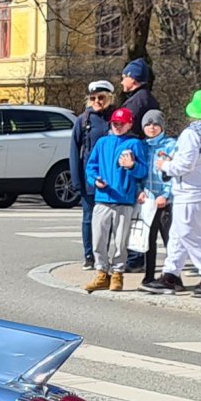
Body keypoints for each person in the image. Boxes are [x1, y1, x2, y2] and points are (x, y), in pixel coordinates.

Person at [143, 88, 201, 297]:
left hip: (188, 190)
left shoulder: (192, 133)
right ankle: (171, 274)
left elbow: (184, 166)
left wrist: (165, 165)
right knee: (178, 235)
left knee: (191, 234)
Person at [82, 106, 146, 292]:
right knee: (99, 239)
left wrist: (132, 165)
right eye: (115, 123)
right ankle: (101, 272)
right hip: (103, 198)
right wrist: (95, 180)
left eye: (121, 123)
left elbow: (142, 171)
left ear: (129, 125)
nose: (117, 126)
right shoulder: (102, 143)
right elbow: (90, 167)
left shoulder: (135, 144)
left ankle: (117, 274)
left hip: (124, 200)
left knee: (121, 241)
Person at [69, 80, 116, 268]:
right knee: (89, 218)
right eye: (93, 98)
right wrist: (76, 179)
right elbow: (74, 149)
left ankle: (103, 255)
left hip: (112, 178)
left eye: (101, 97)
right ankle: (89, 255)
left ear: (110, 98)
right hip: (90, 178)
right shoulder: (83, 120)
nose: (97, 101)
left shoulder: (116, 118)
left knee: (109, 220)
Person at [135, 109, 177, 283]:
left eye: (155, 124)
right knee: (148, 240)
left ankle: (173, 277)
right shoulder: (141, 146)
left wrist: (166, 196)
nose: (152, 127)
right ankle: (149, 276)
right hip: (149, 201)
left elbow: (175, 174)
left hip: (166, 202)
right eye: (148, 124)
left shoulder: (171, 145)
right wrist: (139, 191)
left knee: (170, 241)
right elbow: (137, 173)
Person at [119, 58, 160, 141]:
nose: (122, 82)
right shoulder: (147, 98)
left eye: (124, 78)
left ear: (132, 79)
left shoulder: (135, 103)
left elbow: (127, 129)